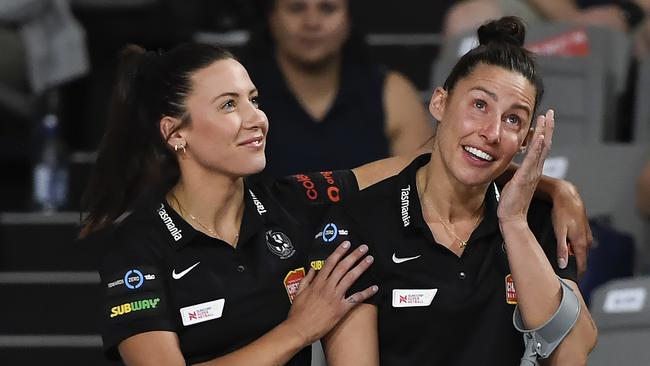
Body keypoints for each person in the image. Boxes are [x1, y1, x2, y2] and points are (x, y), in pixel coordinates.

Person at [80, 40, 592, 364]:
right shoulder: (136, 247)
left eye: (255, 100)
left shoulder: (293, 206)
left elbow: (434, 162)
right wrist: (297, 331)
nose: (255, 118)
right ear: (177, 134)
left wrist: (552, 188)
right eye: (229, 105)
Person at [311, 17, 597, 366]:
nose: (491, 131)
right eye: (479, 105)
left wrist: (513, 223)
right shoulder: (363, 220)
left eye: (513, 119)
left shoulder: (536, 219)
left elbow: (571, 354)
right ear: (439, 104)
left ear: (524, 141)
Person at [242, 0, 434, 177]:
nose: (312, 22)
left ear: (348, 19)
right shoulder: (238, 95)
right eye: (296, 8)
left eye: (327, 9)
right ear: (272, 19)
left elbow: (419, 189)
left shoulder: (393, 93)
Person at [443, 0, 650, 60]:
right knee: (469, 18)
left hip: (632, 14)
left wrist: (628, 13)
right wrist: (575, 23)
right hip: (554, 12)